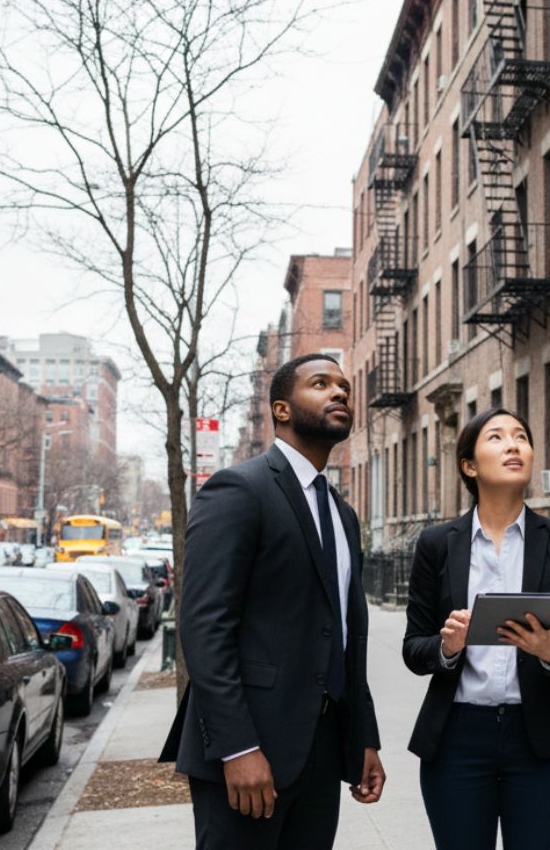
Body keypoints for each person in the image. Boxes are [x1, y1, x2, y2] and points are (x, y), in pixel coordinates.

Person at [160, 353, 385, 849]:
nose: (340, 393)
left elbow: (347, 636)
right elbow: (204, 628)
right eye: (321, 383)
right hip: (249, 751)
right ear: (281, 409)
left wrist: (363, 737)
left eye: (344, 386)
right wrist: (237, 747)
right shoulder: (239, 489)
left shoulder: (343, 516)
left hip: (322, 754)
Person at [403, 407, 550, 850]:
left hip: (540, 737)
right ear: (469, 465)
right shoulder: (436, 545)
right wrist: (447, 647)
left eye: (521, 437)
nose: (513, 445)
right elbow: (414, 647)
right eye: (496, 437)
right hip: (457, 740)